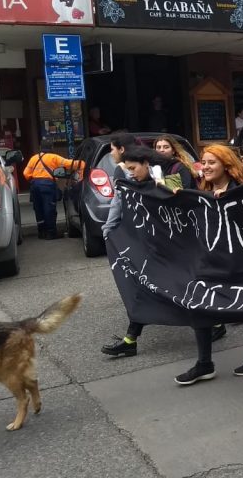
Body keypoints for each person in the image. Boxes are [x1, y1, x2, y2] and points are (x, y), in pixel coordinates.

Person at [174, 145, 243, 385]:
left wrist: (230, 204)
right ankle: (204, 364)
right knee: (199, 304)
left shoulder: (242, 190)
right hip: (210, 261)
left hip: (240, 261)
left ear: (226, 166)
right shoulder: (201, 191)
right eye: (203, 163)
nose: (205, 167)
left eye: (211, 163)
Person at [99, 146, 172, 358]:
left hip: (171, 250)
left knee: (178, 292)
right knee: (144, 290)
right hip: (151, 250)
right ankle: (130, 340)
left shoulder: (167, 180)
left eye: (133, 168)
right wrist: (109, 231)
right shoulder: (132, 187)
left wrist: (163, 185)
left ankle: (213, 326)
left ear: (147, 164)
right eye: (128, 169)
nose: (130, 173)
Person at [22, 140, 83, 240]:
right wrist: (83, 163)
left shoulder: (34, 158)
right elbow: (69, 164)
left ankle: (41, 232)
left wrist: (34, 180)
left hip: (35, 185)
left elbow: (25, 173)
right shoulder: (54, 157)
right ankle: (51, 233)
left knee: (38, 209)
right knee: (49, 209)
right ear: (52, 147)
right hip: (47, 185)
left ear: (40, 147)